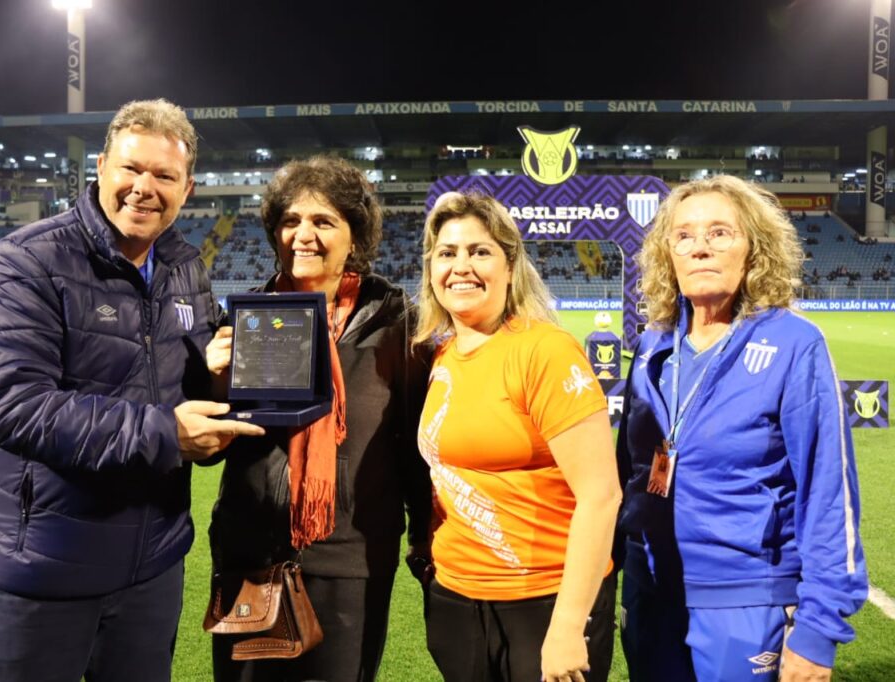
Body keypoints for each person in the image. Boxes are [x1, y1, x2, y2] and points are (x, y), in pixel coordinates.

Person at [0, 99, 264, 682]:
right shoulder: (27, 261)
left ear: (187, 189)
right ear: (101, 168)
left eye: (164, 176)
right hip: (42, 569)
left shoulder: (186, 267)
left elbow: (186, 390)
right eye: (131, 168)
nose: (144, 188)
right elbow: (13, 405)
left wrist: (220, 382)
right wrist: (167, 432)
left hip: (151, 567)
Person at [616, 175, 868, 682]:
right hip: (650, 594)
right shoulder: (651, 347)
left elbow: (826, 491)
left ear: (754, 249)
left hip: (744, 603)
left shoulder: (794, 343)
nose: (700, 247)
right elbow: (627, 472)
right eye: (683, 236)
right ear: (667, 254)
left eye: (719, 233)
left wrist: (818, 628)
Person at [206, 155, 432, 682]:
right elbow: (209, 448)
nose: (303, 235)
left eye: (323, 221)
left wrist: (423, 533)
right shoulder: (248, 316)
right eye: (290, 220)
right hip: (251, 552)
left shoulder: (395, 321)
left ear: (355, 237)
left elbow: (416, 445)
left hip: (352, 557)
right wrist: (213, 382)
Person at [414, 192, 621, 682]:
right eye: (447, 253)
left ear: (510, 267)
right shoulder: (441, 356)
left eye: (479, 251)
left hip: (544, 600)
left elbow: (601, 496)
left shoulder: (544, 351)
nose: (461, 267)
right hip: (456, 598)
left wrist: (568, 624)